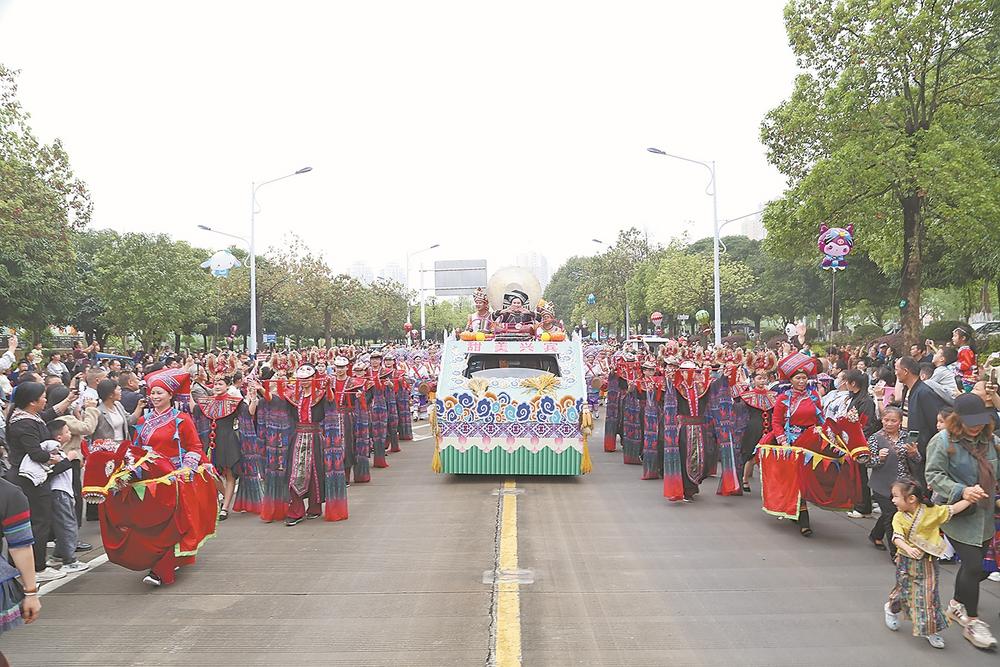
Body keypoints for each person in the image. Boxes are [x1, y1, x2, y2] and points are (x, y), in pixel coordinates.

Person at [925, 393, 1000, 650]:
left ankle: (956, 605)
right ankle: (973, 621)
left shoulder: (990, 441)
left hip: (986, 515)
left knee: (976, 569)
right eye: (971, 421)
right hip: (958, 514)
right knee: (972, 564)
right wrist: (962, 490)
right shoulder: (943, 441)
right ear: (957, 419)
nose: (977, 426)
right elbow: (933, 475)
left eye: (981, 420)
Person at [885, 479, 973, 649]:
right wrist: (907, 549)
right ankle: (891, 608)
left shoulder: (931, 512)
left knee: (929, 596)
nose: (893, 500)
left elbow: (952, 509)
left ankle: (931, 630)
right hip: (905, 561)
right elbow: (896, 537)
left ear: (911, 498)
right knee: (904, 593)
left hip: (928, 562)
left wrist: (971, 498)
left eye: (895, 496)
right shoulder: (898, 517)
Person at [4, 382, 66, 582]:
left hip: (26, 480)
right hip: (29, 482)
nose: (46, 400)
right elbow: (36, 453)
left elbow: (48, 415)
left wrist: (69, 400)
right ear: (32, 402)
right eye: (42, 397)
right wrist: (55, 457)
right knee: (39, 523)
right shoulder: (24, 424)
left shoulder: (28, 417)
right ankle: (37, 568)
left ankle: (22, 565)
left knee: (33, 523)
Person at [192, 374, 258, 520]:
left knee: (229, 473)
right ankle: (223, 496)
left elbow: (249, 413)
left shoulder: (235, 402)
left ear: (227, 386)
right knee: (210, 473)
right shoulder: (206, 402)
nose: (217, 386)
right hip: (211, 442)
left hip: (228, 441)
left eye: (220, 383)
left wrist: (253, 399)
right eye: (215, 383)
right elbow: (195, 411)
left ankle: (225, 507)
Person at [866, 407, 919, 555]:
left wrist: (914, 453)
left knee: (890, 513)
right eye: (886, 420)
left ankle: (876, 534)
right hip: (883, 484)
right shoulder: (875, 438)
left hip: (903, 485)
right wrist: (879, 458)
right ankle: (895, 552)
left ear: (900, 422)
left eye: (893, 421)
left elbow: (917, 460)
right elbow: (867, 462)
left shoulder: (906, 436)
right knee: (891, 516)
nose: (889, 423)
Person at [0, 475, 41, 661]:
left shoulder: (9, 494)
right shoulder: (9, 493)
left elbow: (21, 546)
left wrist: (31, 592)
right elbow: (20, 546)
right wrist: (31, 593)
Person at [40, 421, 87, 574]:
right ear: (59, 437)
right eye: (67, 432)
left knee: (64, 524)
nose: (70, 434)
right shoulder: (51, 448)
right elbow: (52, 470)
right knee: (68, 525)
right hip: (59, 492)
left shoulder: (59, 450)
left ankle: (58, 555)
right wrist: (68, 459)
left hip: (63, 492)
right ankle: (70, 560)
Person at [896, 356, 948, 476]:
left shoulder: (924, 392)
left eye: (896, 369)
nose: (895, 373)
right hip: (911, 445)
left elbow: (935, 423)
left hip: (923, 450)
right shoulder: (907, 390)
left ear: (905, 371)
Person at [843, 369, 880, 519]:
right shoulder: (857, 398)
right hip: (854, 440)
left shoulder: (866, 401)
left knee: (861, 474)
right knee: (856, 474)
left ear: (853, 383)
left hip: (861, 443)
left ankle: (863, 506)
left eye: (847, 381)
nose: (845, 384)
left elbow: (867, 425)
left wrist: (857, 440)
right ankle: (859, 503)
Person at [738, 369, 776, 493]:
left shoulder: (773, 395)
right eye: (759, 378)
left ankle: (768, 482)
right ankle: (744, 479)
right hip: (753, 427)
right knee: (751, 454)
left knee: (767, 455)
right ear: (753, 380)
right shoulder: (748, 396)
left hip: (769, 427)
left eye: (764, 378)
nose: (762, 380)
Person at [952, 326, 978, 392]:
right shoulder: (964, 350)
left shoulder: (965, 351)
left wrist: (956, 364)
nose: (952, 338)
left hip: (967, 379)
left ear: (963, 338)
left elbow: (966, 365)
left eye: (955, 336)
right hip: (966, 377)